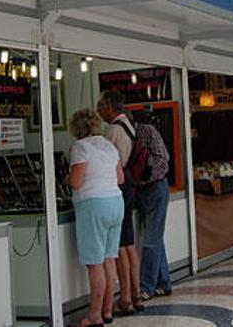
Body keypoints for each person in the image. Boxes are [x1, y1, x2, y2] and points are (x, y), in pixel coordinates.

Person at [66, 108, 124, 327]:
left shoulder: (80, 147)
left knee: (95, 263)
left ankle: (94, 315)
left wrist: (66, 179)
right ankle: (107, 310)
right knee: (109, 259)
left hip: (93, 206)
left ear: (77, 128)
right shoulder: (109, 146)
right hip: (116, 203)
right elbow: (120, 178)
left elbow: (77, 181)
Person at [96, 91, 143, 313]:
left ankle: (124, 298)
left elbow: (106, 161)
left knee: (120, 246)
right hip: (130, 186)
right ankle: (137, 294)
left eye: (100, 105)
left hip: (119, 186)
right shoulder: (130, 126)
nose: (98, 110)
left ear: (109, 107)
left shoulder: (113, 130)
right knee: (130, 245)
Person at [129, 112, 172, 302]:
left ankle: (146, 287)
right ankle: (163, 283)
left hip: (155, 188)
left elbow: (164, 159)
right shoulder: (127, 134)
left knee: (151, 241)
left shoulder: (147, 131)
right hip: (144, 190)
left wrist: (144, 177)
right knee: (156, 239)